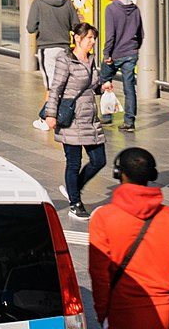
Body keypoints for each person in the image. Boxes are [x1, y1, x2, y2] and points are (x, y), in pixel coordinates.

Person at [89, 147, 169, 329]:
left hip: (121, 312)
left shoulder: (104, 217)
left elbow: (99, 275)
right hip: (161, 313)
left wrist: (101, 313)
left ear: (118, 174)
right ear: (151, 175)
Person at [49, 23, 108, 216]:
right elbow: (56, 88)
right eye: (90, 38)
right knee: (73, 163)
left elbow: (92, 86)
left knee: (99, 160)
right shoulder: (65, 60)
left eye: (94, 38)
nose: (93, 42)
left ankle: (73, 188)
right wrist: (50, 114)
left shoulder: (90, 60)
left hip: (90, 117)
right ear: (77, 38)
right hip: (71, 118)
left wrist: (102, 88)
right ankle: (75, 203)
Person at [25, 0, 81, 131]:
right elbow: (75, 25)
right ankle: (63, 114)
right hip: (64, 47)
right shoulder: (67, 2)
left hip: (47, 48)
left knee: (51, 86)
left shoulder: (38, 3)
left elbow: (30, 27)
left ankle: (47, 118)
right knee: (64, 82)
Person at [102, 0, 145, 127]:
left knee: (105, 81)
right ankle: (129, 121)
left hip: (115, 53)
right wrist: (135, 47)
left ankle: (107, 115)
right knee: (129, 87)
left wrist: (107, 54)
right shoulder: (135, 9)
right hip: (131, 52)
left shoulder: (111, 9)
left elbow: (110, 35)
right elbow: (141, 33)